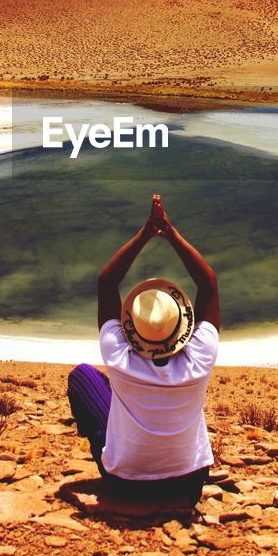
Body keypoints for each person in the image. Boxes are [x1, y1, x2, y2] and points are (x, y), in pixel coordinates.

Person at [66, 194, 221, 503]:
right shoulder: (200, 358)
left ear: (131, 326)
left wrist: (145, 234)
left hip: (126, 484)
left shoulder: (119, 358)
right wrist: (172, 234)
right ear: (182, 326)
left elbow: (106, 283)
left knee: (83, 376)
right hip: (189, 484)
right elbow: (209, 285)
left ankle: (121, 447)